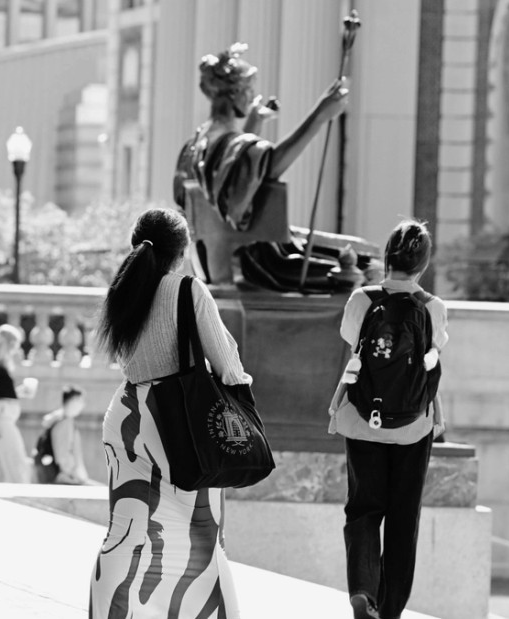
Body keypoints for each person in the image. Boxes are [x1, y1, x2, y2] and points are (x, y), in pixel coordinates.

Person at [89, 208, 251, 618]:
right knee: (198, 536)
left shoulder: (123, 291)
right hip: (179, 426)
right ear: (181, 252)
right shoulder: (187, 290)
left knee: (126, 533)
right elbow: (227, 361)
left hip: (127, 419)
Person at [173, 42, 359, 293]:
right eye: (248, 89)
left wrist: (254, 124)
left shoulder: (195, 145)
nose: (251, 97)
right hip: (260, 266)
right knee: (367, 263)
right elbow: (268, 166)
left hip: (214, 265)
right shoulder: (231, 143)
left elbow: (234, 173)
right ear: (234, 93)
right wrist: (320, 115)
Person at [333, 220, 448, 619]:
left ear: (386, 258)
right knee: (403, 518)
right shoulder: (433, 308)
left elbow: (352, 345)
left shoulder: (361, 300)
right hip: (414, 427)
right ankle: (390, 610)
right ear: (424, 263)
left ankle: (363, 591)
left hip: (366, 419)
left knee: (363, 509)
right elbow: (431, 361)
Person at [0, 324, 36, 483]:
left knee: (0, 464)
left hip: (4, 416)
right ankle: (22, 498)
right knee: (16, 459)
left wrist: (18, 392)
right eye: (14, 345)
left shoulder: (1, 367)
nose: (15, 350)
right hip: (0, 418)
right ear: (7, 345)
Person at [35, 384, 93, 485]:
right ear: (74, 400)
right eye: (81, 400)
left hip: (54, 474)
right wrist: (74, 476)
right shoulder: (65, 422)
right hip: (63, 476)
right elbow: (62, 454)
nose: (83, 405)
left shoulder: (57, 419)